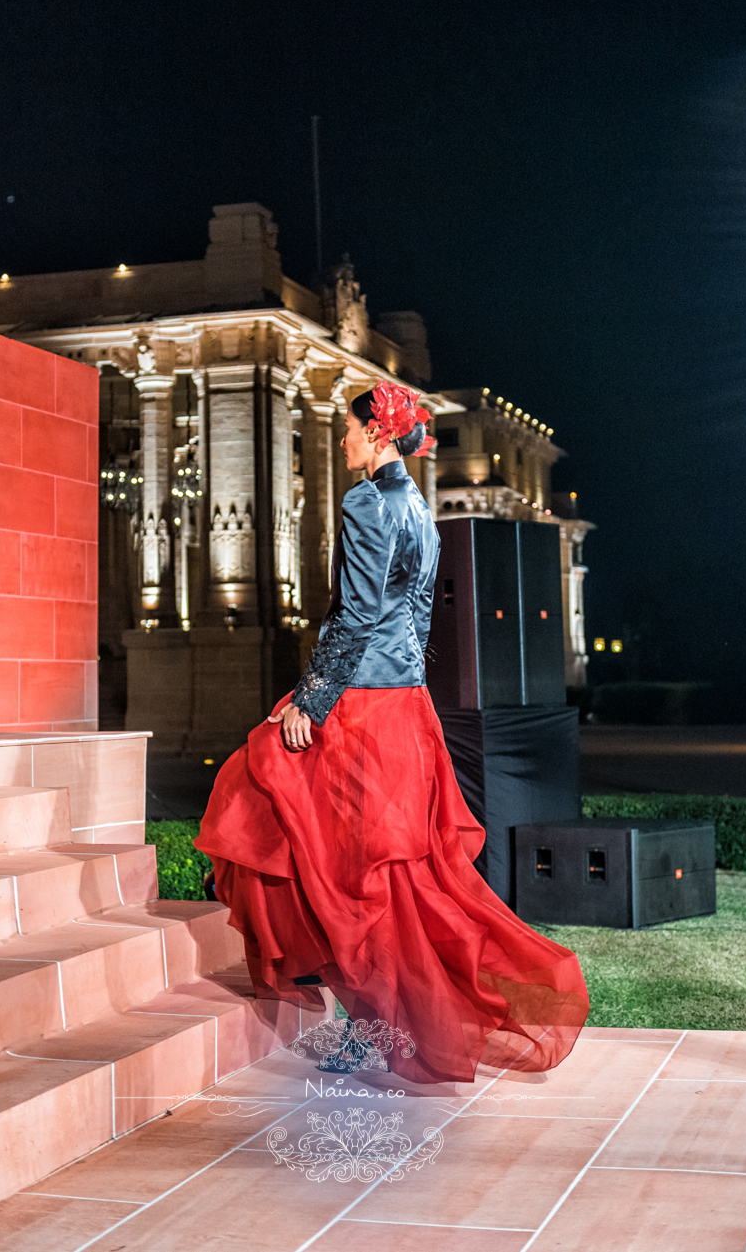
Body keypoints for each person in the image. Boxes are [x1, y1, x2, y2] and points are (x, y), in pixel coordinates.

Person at [196, 381, 589, 1083]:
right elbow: (413, 617)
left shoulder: (367, 501)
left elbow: (353, 612)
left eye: (347, 431)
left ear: (377, 434)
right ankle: (371, 1015)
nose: (341, 442)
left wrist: (308, 703)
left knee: (290, 816)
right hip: (407, 706)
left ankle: (363, 1014)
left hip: (362, 709)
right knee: (390, 875)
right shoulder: (418, 508)